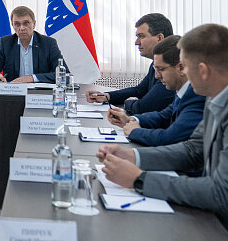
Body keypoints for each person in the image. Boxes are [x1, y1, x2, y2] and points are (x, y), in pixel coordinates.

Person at [97, 24, 228, 229]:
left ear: (202, 70)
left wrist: (139, 179)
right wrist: (132, 157)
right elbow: (193, 150)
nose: (182, 72)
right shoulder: (214, 99)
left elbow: (221, 193)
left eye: (185, 66)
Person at [107, 35, 205, 146]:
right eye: (155, 69)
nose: (157, 76)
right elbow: (162, 117)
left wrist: (136, 131)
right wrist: (130, 120)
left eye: (161, 69)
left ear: (181, 68)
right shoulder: (183, 91)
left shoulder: (197, 95)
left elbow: (171, 137)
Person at [86, 13, 175, 114]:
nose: (136, 42)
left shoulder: (171, 67)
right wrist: (107, 96)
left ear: (159, 38)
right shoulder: (156, 64)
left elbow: (143, 107)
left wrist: (130, 103)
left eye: (141, 36)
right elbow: (139, 91)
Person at [0, 6, 65, 84]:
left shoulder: (48, 43)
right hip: (13, 93)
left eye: (26, 23)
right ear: (12, 25)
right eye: (17, 24)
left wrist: (32, 78)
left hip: (40, 95)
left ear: (34, 24)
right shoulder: (5, 43)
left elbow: (63, 74)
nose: (22, 28)